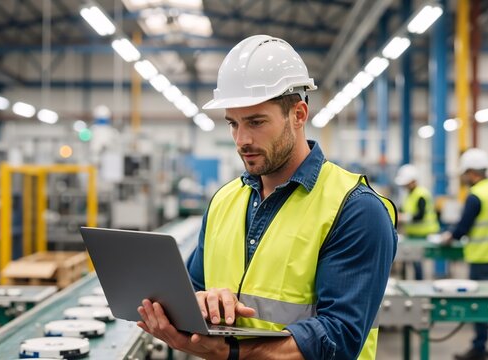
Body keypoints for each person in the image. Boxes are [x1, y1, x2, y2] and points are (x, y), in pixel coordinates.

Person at [136, 34, 398, 360]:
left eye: (256, 122)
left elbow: (340, 337)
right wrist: (197, 306)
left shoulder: (355, 209)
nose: (242, 139)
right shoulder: (224, 201)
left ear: (298, 115)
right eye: (233, 124)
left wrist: (233, 351)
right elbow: (191, 288)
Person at [441, 148, 488, 360]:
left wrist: (448, 237)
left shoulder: (476, 196)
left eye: (464, 174)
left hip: (484, 257)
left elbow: (462, 229)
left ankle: (479, 348)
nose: (464, 178)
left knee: (481, 304)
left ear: (472, 172)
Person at [394, 164, 440, 279]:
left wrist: (403, 217)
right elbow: (402, 210)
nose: (404, 186)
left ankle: (419, 283)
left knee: (418, 263)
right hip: (412, 235)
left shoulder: (421, 194)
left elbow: (420, 216)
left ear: (413, 181)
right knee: (412, 260)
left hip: (426, 234)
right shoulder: (408, 195)